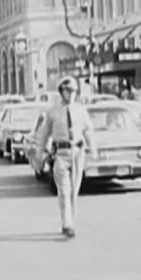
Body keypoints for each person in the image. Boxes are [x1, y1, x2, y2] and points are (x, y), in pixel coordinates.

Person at [30, 77, 97, 238]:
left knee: (74, 190)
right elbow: (45, 134)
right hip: (61, 154)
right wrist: (40, 153)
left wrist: (92, 149)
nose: (72, 94)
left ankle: (70, 221)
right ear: (62, 92)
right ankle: (67, 223)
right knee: (64, 191)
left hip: (78, 152)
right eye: (68, 91)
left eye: (74, 91)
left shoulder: (81, 110)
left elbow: (88, 130)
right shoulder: (53, 111)